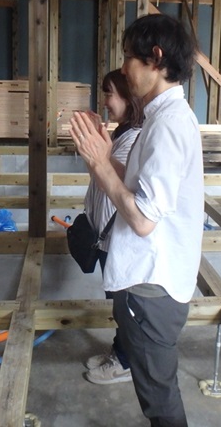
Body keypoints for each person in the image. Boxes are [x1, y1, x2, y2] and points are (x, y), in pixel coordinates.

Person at [70, 14, 204, 427]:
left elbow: (144, 219)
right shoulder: (163, 118)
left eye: (129, 56)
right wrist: (104, 155)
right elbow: (139, 187)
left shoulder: (168, 124)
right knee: (155, 388)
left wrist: (100, 164)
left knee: (159, 400)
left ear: (155, 58)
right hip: (152, 280)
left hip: (152, 286)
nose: (124, 68)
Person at [82, 69, 144, 385]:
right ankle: (120, 351)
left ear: (128, 98)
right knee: (118, 302)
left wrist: (94, 144)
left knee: (124, 304)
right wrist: (95, 140)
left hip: (118, 235)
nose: (105, 101)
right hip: (107, 234)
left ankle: (126, 363)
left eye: (109, 93)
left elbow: (112, 178)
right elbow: (98, 172)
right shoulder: (121, 133)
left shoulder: (134, 139)